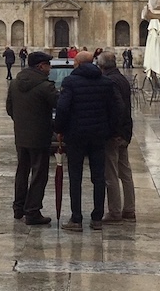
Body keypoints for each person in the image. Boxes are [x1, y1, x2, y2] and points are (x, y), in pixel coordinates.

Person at [54, 51, 123, 232]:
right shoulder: (106, 83)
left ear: (77, 63)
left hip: (76, 136)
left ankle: (76, 219)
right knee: (98, 177)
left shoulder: (70, 82)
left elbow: (62, 109)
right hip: (98, 135)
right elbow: (115, 110)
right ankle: (97, 218)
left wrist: (59, 129)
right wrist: (110, 131)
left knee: (75, 177)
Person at [6, 52, 58, 225]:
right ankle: (33, 211)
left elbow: (9, 108)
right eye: (48, 65)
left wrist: (21, 122)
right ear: (40, 66)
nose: (50, 69)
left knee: (22, 170)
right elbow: (59, 105)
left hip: (21, 135)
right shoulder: (45, 86)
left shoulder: (14, 83)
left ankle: (18, 207)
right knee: (39, 173)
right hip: (40, 136)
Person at [97, 50, 136, 225]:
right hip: (125, 131)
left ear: (102, 66)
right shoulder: (122, 79)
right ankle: (129, 209)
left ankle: (114, 211)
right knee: (125, 172)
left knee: (111, 173)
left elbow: (117, 108)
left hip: (115, 133)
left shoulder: (109, 82)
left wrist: (112, 131)